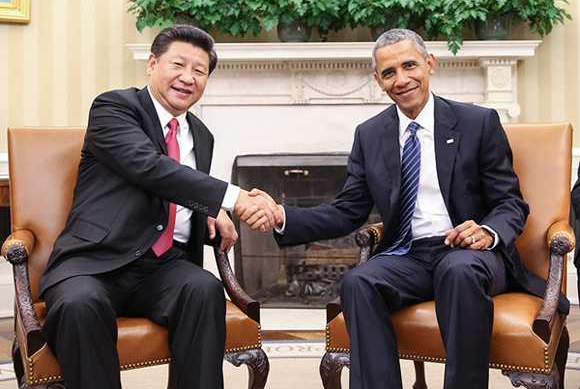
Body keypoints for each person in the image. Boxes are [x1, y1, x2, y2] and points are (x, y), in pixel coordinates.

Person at [248, 29, 569, 389]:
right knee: (358, 281)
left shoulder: (477, 123)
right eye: (389, 73)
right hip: (410, 256)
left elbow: (510, 202)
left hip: (470, 253)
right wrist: (282, 216)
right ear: (378, 81)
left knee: (459, 270)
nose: (401, 80)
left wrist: (487, 231)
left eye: (409, 66)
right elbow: (348, 211)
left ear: (430, 64)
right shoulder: (370, 135)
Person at [38, 25, 281, 389]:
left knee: (203, 289)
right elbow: (149, 167)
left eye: (199, 71)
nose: (188, 78)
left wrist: (211, 211)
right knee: (80, 304)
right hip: (95, 261)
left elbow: (178, 188)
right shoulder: (114, 107)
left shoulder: (201, 135)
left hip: (162, 268)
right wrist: (231, 198)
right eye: (178, 65)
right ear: (152, 64)